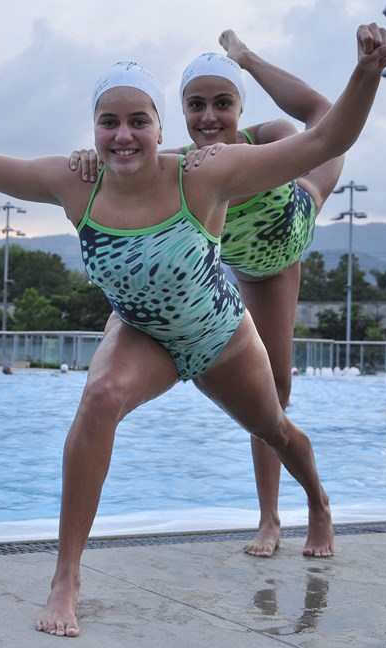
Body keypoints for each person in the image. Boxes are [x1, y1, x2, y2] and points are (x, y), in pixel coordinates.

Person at [0, 23, 386, 637]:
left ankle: (319, 505)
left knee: (274, 426)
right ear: (93, 128)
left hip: (219, 331)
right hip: (143, 331)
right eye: (108, 122)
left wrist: (367, 71)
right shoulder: (73, 180)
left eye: (138, 120)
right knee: (100, 396)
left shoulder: (206, 174)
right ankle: (67, 576)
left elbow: (329, 136)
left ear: (159, 128)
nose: (122, 135)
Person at [71, 31, 346, 557]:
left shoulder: (269, 139)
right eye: (196, 105)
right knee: (266, 400)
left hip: (291, 230)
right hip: (237, 266)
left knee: (279, 390)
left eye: (224, 103)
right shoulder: (177, 164)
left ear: (240, 106)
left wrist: (245, 64)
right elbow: (126, 153)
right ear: (180, 112)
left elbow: (325, 125)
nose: (210, 117)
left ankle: (317, 505)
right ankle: (269, 519)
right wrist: (91, 157)